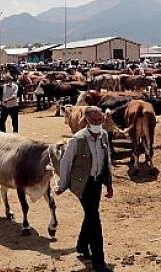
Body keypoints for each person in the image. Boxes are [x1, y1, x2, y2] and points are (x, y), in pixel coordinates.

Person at [56, 106, 113, 271]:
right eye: (94, 120)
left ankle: (82, 245)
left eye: (100, 120)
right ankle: (99, 262)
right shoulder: (77, 139)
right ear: (87, 120)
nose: (98, 123)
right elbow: (65, 163)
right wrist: (62, 185)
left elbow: (106, 160)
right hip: (82, 183)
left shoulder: (103, 135)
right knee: (94, 219)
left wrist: (109, 184)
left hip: (96, 182)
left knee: (91, 214)